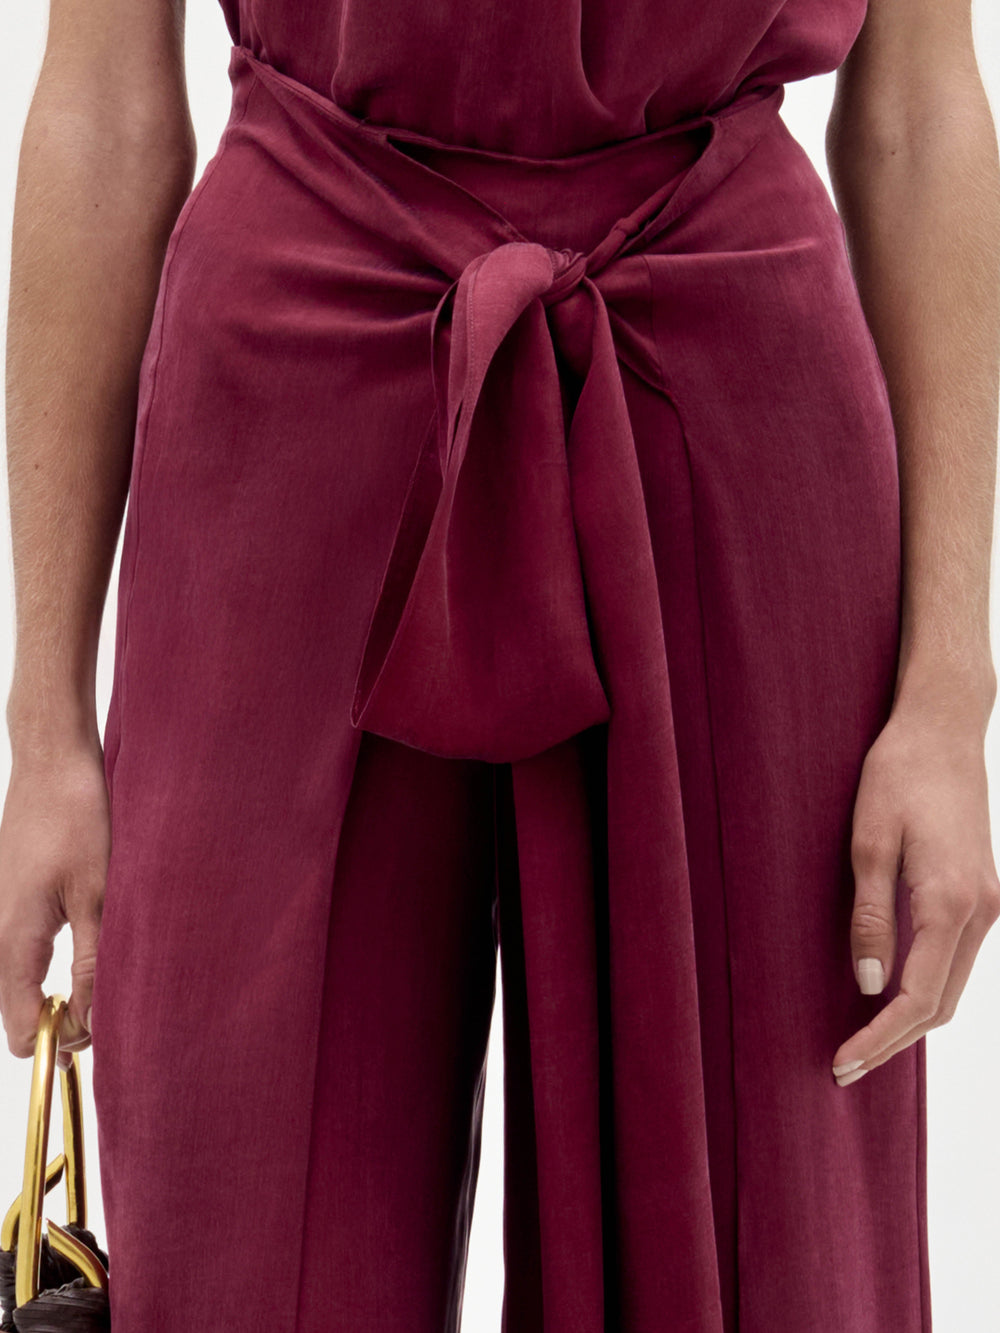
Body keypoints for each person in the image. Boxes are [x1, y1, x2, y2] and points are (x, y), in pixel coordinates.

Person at [1, 0, 998, 1328]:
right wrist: (47, 724)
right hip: (289, 413)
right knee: (245, 1231)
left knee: (773, 1255)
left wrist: (948, 693)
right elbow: (105, 108)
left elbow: (922, 116)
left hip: (730, 394)